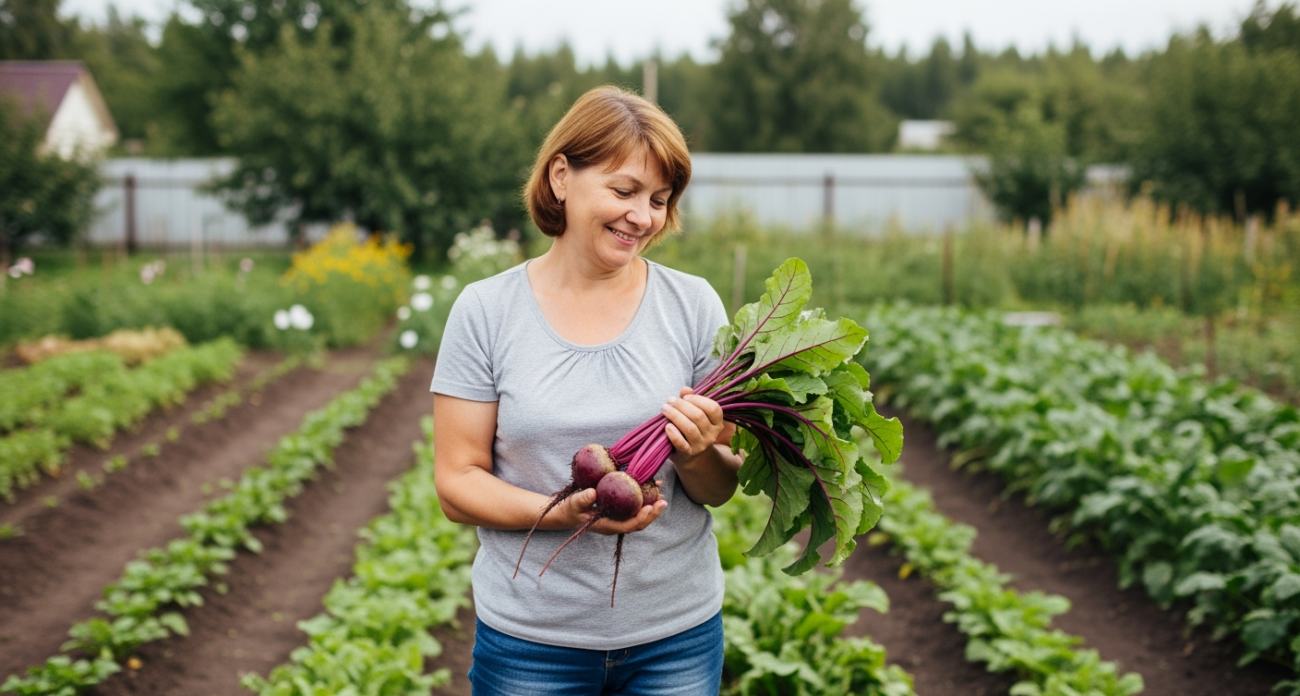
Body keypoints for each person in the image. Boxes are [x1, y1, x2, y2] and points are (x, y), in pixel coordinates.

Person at [431, 85, 743, 695]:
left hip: (675, 638)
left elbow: (719, 488)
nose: (643, 217)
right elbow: (456, 484)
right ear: (561, 177)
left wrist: (696, 452)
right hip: (529, 643)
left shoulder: (693, 305)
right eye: (624, 191)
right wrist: (561, 514)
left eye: (658, 200)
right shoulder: (486, 311)